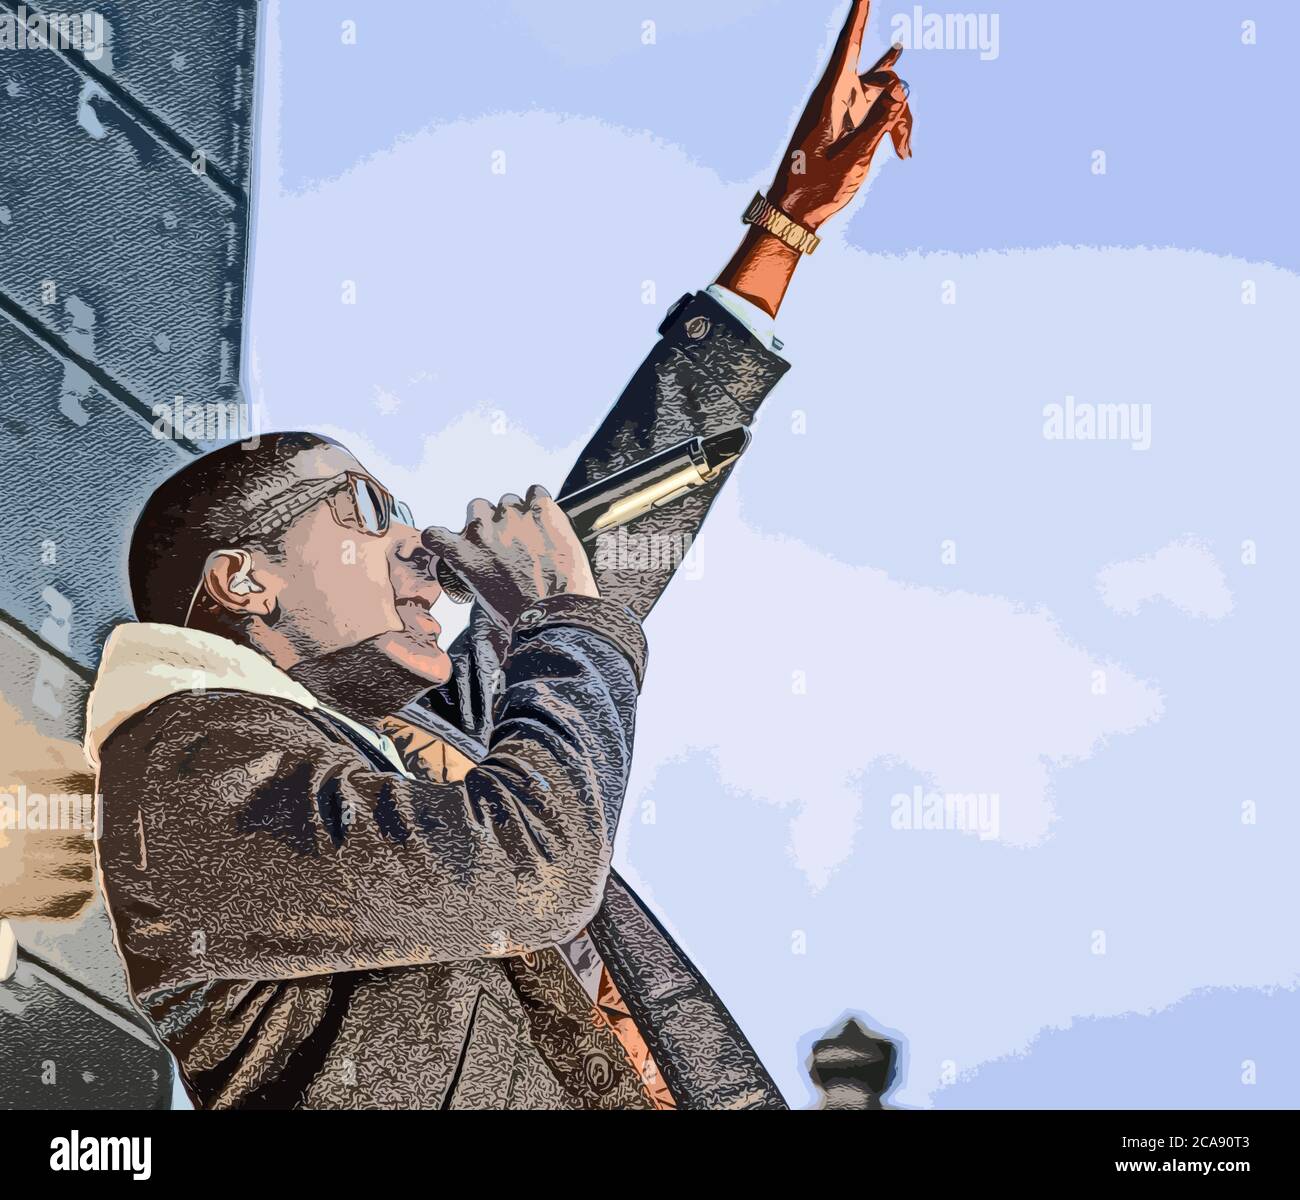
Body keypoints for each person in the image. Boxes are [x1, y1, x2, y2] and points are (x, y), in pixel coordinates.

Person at [88, 0, 912, 1109]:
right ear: (246, 580)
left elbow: (610, 545)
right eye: (364, 510)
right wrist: (564, 620)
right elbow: (529, 864)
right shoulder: (192, 774)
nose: (419, 547)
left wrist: (779, 236)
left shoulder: (400, 750)